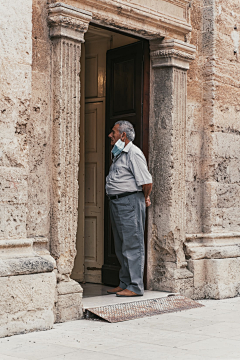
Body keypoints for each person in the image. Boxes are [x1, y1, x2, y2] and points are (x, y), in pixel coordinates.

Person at [106, 120, 152, 297]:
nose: (110, 135)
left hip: (130, 202)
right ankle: (124, 282)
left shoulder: (134, 153)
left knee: (132, 244)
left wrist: (145, 197)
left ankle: (135, 286)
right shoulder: (119, 154)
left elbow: (146, 182)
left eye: (113, 132)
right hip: (117, 202)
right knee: (120, 245)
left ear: (123, 135)